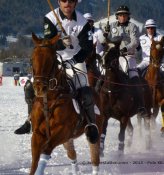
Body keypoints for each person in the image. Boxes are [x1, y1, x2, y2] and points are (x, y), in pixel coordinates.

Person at [14, 0, 99, 143]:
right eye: (64, 1)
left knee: (85, 91)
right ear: (59, 2)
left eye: (71, 1)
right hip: (55, 60)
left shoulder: (83, 22)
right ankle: (30, 121)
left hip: (76, 60)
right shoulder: (50, 18)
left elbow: (87, 47)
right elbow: (47, 42)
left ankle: (91, 124)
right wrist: (60, 43)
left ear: (75, 3)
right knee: (31, 87)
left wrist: (74, 59)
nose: (67, 4)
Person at [107, 5, 147, 116]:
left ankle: (141, 105)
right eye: (120, 15)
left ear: (128, 16)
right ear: (117, 16)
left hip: (129, 56)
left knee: (134, 78)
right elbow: (104, 41)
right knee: (104, 74)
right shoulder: (111, 26)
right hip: (115, 57)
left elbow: (135, 42)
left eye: (124, 15)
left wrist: (125, 48)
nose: (122, 17)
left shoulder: (132, 26)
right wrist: (105, 34)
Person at [83, 13, 105, 82]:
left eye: (90, 21)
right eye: (86, 22)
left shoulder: (99, 32)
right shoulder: (80, 33)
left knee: (103, 72)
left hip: (98, 57)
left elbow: (105, 44)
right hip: (85, 59)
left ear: (93, 22)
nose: (88, 23)